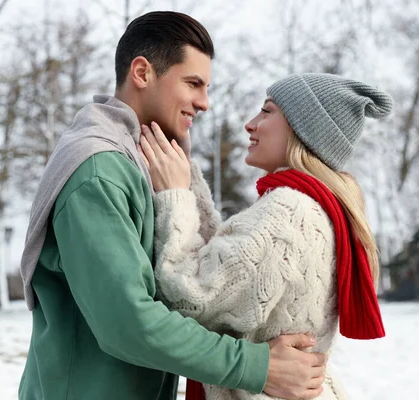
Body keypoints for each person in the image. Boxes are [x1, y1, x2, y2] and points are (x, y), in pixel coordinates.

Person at [18, 11, 327, 400]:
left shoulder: (142, 161)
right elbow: (128, 323)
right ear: (143, 73)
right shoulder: (98, 173)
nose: (204, 103)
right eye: (193, 83)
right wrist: (257, 366)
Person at [138, 73, 392, 399]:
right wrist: (189, 181)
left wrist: (174, 196)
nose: (251, 123)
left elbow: (193, 294)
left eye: (267, 111)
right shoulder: (321, 207)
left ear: (304, 130)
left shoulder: (288, 210)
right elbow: (234, 272)